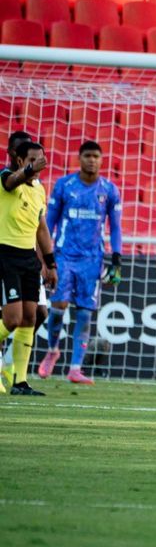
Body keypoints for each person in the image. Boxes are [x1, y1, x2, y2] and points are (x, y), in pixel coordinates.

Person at [37, 141, 122, 385]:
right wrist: (45, 257)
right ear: (79, 158)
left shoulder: (109, 190)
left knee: (84, 313)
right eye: (87, 156)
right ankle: (53, 350)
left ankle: (75, 368)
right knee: (58, 307)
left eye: (96, 156)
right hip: (64, 256)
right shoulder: (64, 186)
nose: (92, 160)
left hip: (92, 260)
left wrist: (116, 258)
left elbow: (116, 227)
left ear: (102, 160)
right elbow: (49, 222)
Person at [0, 139, 57, 396]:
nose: (38, 164)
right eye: (32, 160)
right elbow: (12, 181)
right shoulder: (6, 178)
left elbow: (41, 228)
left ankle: (20, 382)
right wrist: (29, 170)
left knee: (30, 318)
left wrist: (51, 263)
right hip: (6, 255)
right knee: (12, 319)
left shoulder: (39, 190)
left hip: (28, 258)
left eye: (40, 159)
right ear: (20, 160)